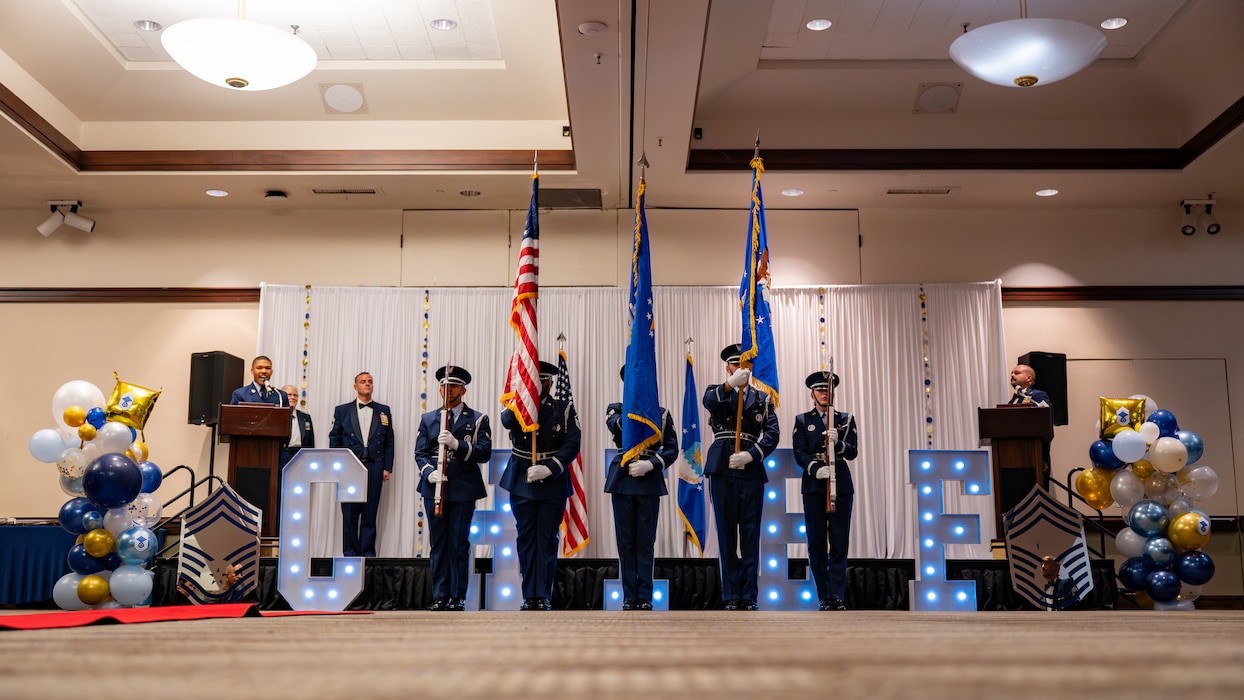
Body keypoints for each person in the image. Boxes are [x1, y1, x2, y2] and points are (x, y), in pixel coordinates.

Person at [499, 361, 581, 611]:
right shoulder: (519, 406)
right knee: (525, 538)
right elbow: (505, 421)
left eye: (541, 381)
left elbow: (573, 442)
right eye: (532, 381)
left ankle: (543, 594)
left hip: (551, 480)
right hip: (522, 478)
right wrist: (524, 402)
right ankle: (529, 594)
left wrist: (551, 467)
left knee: (547, 538)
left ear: (550, 383)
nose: (536, 386)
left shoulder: (563, 408)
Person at [702, 344, 779, 610]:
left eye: (745, 365)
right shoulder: (717, 391)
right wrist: (728, 385)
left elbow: (772, 433)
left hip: (750, 469)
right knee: (726, 535)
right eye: (736, 364)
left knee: (750, 534)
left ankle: (749, 595)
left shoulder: (762, 397)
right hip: (722, 465)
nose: (741, 369)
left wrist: (752, 455)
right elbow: (708, 402)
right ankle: (731, 594)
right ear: (728, 367)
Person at [415, 365, 491, 612]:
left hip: (463, 487)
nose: (447, 390)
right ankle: (440, 594)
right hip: (435, 488)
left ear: (463, 390)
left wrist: (458, 445)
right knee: (438, 543)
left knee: (459, 543)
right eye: (444, 386)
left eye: (453, 386)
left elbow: (484, 453)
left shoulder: (478, 419)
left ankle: (457, 596)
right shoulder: (429, 419)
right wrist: (429, 473)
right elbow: (420, 453)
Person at [604, 366, 679, 611]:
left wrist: (651, 463)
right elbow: (618, 427)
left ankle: (645, 595)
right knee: (626, 542)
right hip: (623, 477)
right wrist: (637, 409)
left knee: (645, 542)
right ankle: (629, 595)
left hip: (648, 479)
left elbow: (671, 450)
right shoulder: (616, 409)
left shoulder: (662, 414)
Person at [791, 370, 859, 611]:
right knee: (816, 542)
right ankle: (824, 596)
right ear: (812, 394)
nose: (824, 393)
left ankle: (837, 596)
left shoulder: (846, 419)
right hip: (814, 485)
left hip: (840, 482)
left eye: (827, 389)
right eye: (820, 390)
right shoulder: (802, 420)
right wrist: (813, 468)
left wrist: (838, 442)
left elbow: (852, 451)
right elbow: (799, 452)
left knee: (839, 542)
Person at [329, 372, 395, 558]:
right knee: (349, 512)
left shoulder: (384, 410)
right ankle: (350, 553)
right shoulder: (342, 410)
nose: (367, 384)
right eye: (363, 382)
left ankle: (367, 553)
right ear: (355, 386)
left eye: (370, 382)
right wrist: (338, 465)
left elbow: (389, 440)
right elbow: (334, 438)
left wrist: (387, 467)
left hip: (375, 465)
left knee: (370, 511)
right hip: (350, 466)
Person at [279, 384, 315, 469]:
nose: (292, 397)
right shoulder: (277, 416)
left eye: (295, 395)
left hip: (301, 455)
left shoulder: (305, 417)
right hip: (283, 454)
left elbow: (311, 441)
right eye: (289, 394)